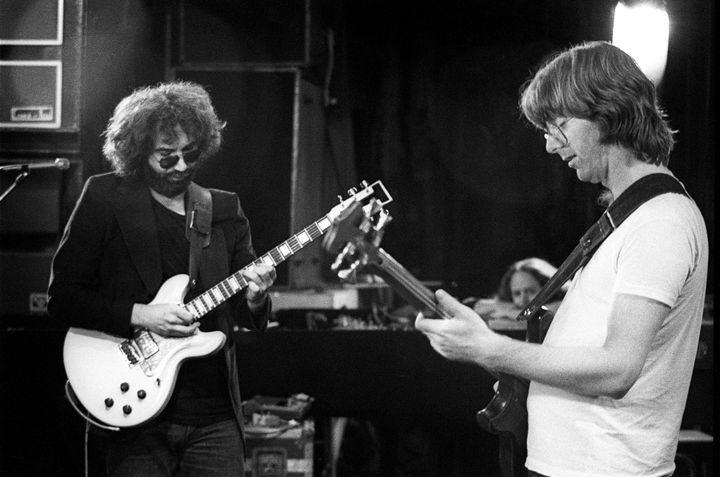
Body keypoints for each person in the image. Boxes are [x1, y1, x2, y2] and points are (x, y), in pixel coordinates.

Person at [415, 41, 708, 477]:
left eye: (560, 124)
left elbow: (617, 369)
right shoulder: (633, 218)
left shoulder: (658, 223)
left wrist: (492, 350)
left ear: (607, 113)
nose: (551, 146)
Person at [48, 81, 277, 476]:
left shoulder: (222, 208)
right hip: (134, 415)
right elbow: (63, 298)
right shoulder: (105, 197)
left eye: (189, 154)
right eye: (166, 158)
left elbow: (247, 315)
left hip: (213, 415)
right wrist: (142, 315)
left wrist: (257, 297)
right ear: (138, 153)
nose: (182, 167)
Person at [471, 257, 567, 323]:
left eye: (530, 291)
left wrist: (507, 313)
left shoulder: (567, 303)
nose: (524, 299)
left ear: (548, 288)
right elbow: (479, 306)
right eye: (517, 293)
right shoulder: (509, 304)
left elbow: (532, 314)